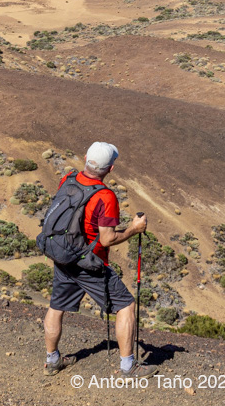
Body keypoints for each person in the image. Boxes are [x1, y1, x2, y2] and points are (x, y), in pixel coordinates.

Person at [43, 141, 157, 379]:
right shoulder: (105, 196)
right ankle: (128, 367)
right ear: (111, 169)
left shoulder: (68, 179)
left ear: (86, 158)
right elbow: (107, 239)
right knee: (125, 306)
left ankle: (53, 361)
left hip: (63, 254)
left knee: (56, 306)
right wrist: (134, 229)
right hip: (88, 262)